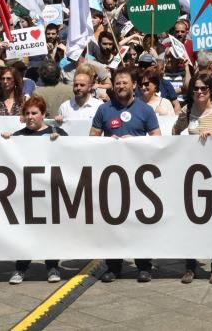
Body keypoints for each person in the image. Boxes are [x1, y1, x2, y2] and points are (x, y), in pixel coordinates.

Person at [92, 67, 161, 284]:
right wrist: (107, 143)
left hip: (139, 178)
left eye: (125, 82)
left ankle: (143, 266)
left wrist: (137, 142)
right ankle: (113, 266)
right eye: (117, 83)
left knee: (140, 223)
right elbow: (92, 139)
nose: (121, 86)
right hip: (111, 177)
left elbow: (157, 140)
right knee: (112, 224)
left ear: (134, 85)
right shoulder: (104, 110)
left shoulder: (146, 110)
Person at [173, 72, 212, 284]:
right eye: (196, 89)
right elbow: (174, 134)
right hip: (192, 176)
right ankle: (190, 266)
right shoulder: (188, 110)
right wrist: (181, 121)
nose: (200, 92)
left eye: (204, 88)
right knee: (190, 222)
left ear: (211, 90)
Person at [1, 97, 66, 284]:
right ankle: (21, 268)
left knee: (50, 232)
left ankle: (52, 267)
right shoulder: (18, 136)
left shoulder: (57, 132)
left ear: (43, 114)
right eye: (27, 113)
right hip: (26, 194)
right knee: (25, 232)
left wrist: (60, 143)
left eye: (34, 113)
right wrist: (5, 142)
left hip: (50, 192)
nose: (30, 117)